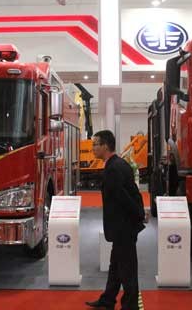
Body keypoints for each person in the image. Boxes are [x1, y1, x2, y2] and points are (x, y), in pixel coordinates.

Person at [86, 130, 145, 310]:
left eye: (95, 144)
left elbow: (124, 198)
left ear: (105, 146)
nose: (92, 148)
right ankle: (108, 300)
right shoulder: (119, 164)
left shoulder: (113, 169)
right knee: (116, 266)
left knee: (127, 270)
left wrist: (139, 216)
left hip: (123, 228)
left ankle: (130, 306)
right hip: (123, 226)